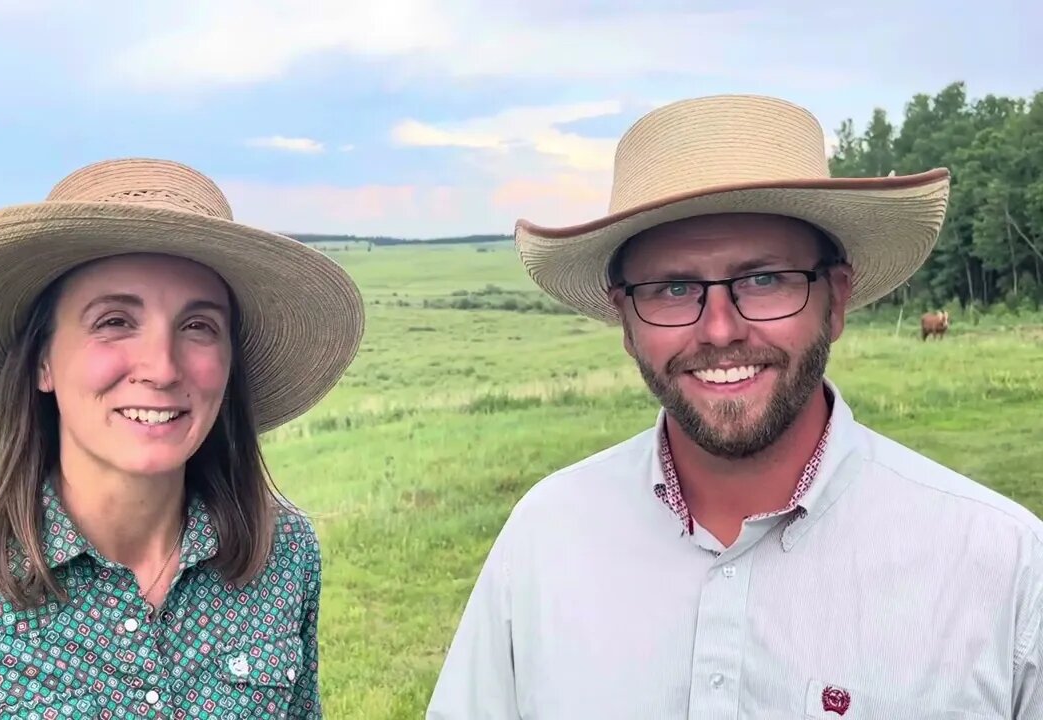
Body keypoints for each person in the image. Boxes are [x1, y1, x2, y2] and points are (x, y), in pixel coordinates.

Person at [427, 95, 1043, 718]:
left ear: (836, 299)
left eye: (764, 279)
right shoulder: (543, 540)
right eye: (673, 288)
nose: (720, 330)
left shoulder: (1003, 568)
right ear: (624, 319)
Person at [0, 158, 364, 719]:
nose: (162, 368)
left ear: (229, 365)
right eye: (114, 321)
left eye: (199, 326)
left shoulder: (283, 553)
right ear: (42, 362)